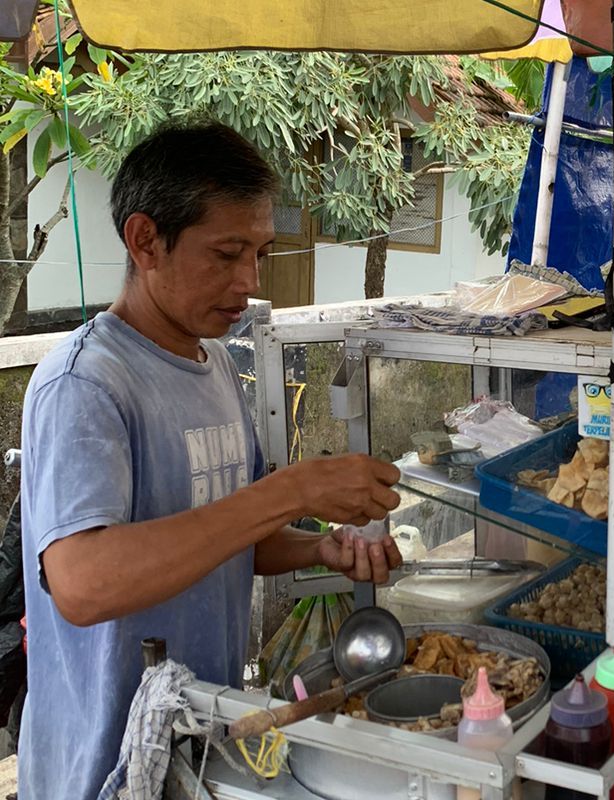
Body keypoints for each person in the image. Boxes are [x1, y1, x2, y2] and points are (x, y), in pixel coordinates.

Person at [19, 123, 405, 800]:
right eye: (226, 254)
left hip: (198, 749)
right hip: (104, 769)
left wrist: (319, 549)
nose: (249, 282)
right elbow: (82, 584)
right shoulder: (85, 384)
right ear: (145, 241)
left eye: (259, 253)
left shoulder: (216, 363)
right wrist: (291, 491)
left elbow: (232, 536)